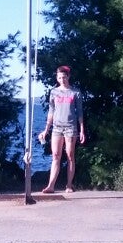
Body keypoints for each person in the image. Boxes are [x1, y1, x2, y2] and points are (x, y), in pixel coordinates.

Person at [37, 65, 85, 193]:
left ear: (68, 76)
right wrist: (46, 130)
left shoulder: (75, 92)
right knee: (56, 156)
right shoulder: (54, 92)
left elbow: (79, 112)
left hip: (71, 127)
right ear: (57, 78)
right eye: (59, 77)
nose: (62, 79)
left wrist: (82, 130)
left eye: (64, 77)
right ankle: (51, 186)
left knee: (70, 155)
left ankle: (69, 185)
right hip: (57, 127)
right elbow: (51, 111)